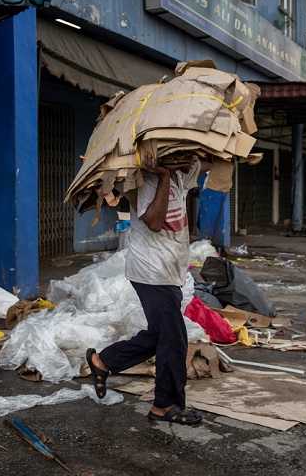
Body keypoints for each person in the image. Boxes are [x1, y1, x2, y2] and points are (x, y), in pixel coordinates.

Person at [86, 151, 211, 425]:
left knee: (160, 335)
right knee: (174, 340)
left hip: (171, 270)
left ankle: (103, 361)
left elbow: (212, 161)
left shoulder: (183, 173)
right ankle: (164, 406)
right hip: (151, 272)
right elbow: (154, 222)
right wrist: (163, 176)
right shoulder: (145, 181)